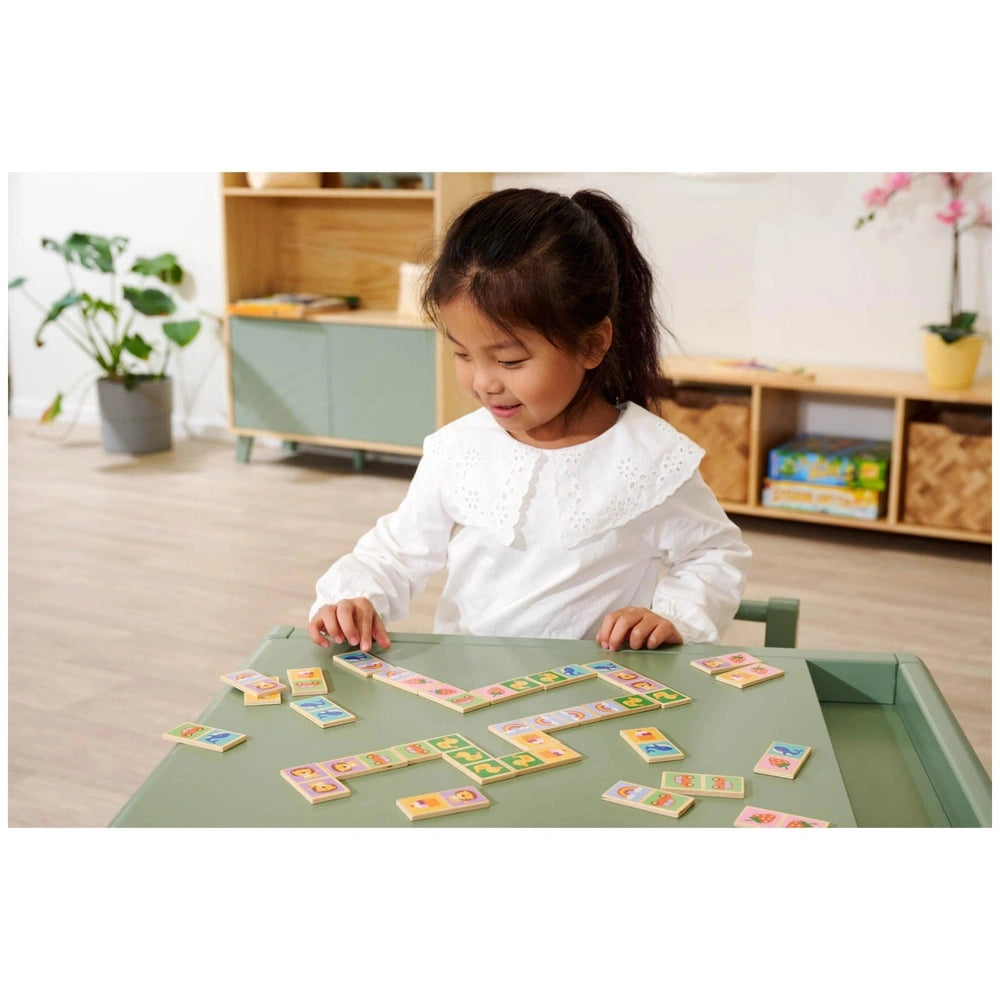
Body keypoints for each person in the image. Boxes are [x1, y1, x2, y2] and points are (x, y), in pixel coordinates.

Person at [308, 187, 750, 654]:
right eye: (462, 353)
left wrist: (672, 616)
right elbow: (396, 552)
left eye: (511, 360)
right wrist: (352, 597)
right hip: (471, 691)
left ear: (593, 344)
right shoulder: (459, 449)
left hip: (594, 694)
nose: (483, 383)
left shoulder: (650, 458)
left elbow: (713, 553)